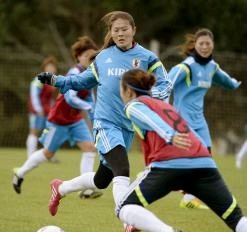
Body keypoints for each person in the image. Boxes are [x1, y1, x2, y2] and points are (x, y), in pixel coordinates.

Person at [37, 10, 173, 218]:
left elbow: (165, 84)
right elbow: (82, 80)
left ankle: (60, 188)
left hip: (128, 126)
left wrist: (150, 96)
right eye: (116, 30)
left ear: (133, 30)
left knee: (101, 180)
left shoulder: (147, 57)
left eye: (124, 29)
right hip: (105, 123)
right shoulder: (103, 57)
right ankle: (126, 216)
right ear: (111, 32)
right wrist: (58, 80)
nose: (120, 34)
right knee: (123, 170)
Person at [116, 69, 247, 232]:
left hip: (169, 166)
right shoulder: (165, 105)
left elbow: (150, 119)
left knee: (123, 207)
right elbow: (191, 135)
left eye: (119, 88)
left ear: (128, 90)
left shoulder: (134, 105)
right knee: (236, 218)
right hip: (203, 164)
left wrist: (169, 135)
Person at [12, 36, 102, 199]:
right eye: (88, 54)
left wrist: (94, 113)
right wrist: (89, 107)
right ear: (79, 57)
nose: (91, 58)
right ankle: (20, 173)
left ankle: (86, 189)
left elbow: (89, 98)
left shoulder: (90, 73)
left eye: (93, 55)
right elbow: (70, 98)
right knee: (48, 154)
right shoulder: (74, 72)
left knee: (89, 148)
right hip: (59, 120)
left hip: (75, 120)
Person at [168, 28, 241, 209]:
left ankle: (189, 195)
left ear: (212, 45)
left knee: (206, 156)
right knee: (193, 158)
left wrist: (235, 84)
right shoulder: (186, 66)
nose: (205, 46)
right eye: (201, 43)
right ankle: (188, 195)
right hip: (182, 119)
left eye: (208, 43)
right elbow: (166, 84)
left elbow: (226, 81)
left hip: (199, 120)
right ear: (195, 45)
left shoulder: (212, 67)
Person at [26, 56, 58, 158]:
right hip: (37, 110)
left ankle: (48, 155)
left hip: (48, 110)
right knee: (34, 131)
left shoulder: (52, 81)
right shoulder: (39, 79)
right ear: (44, 67)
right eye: (49, 66)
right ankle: (31, 155)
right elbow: (34, 94)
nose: (51, 69)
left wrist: (53, 109)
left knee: (49, 131)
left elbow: (51, 99)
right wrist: (38, 109)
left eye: (52, 67)